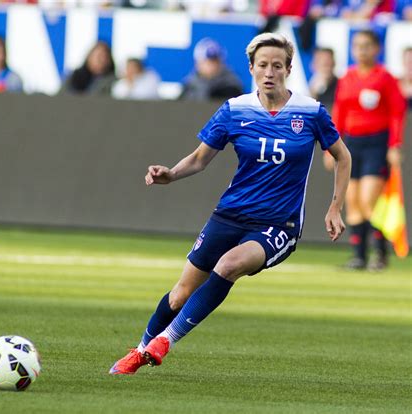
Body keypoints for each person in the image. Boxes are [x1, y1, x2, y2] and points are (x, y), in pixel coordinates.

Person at [109, 32, 351, 375]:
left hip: (277, 224)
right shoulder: (235, 111)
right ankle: (139, 349)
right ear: (251, 68)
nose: (270, 72)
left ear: (289, 69)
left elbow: (342, 157)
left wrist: (334, 207)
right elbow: (199, 159)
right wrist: (171, 173)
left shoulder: (310, 112)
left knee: (229, 265)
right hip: (230, 214)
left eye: (277, 66)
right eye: (263, 65)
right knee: (179, 295)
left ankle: (165, 341)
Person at [327, 29, 406, 270]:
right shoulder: (347, 77)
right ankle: (359, 256)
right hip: (351, 144)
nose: (361, 51)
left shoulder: (385, 77)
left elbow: (396, 113)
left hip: (376, 143)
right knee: (351, 201)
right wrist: (331, 146)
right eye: (357, 46)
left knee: (368, 199)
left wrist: (394, 145)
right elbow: (339, 112)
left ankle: (380, 254)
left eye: (366, 46)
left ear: (376, 49)